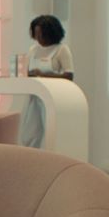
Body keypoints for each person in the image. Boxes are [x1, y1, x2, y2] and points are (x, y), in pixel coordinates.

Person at [19, 14, 74, 148]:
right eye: (36, 34)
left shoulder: (61, 50)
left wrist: (44, 75)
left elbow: (69, 75)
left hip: (53, 98)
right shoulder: (33, 50)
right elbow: (26, 71)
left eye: (41, 35)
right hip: (34, 97)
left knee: (51, 133)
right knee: (29, 134)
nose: (38, 38)